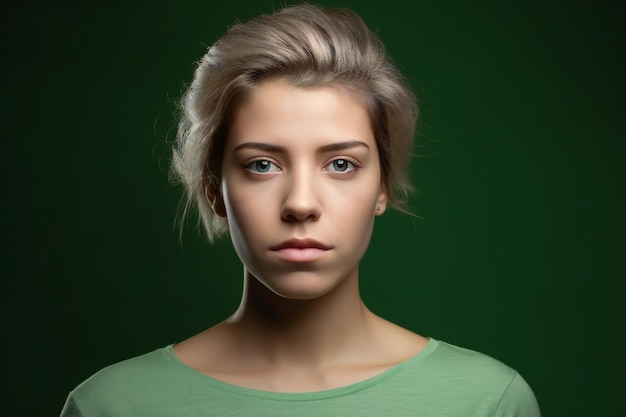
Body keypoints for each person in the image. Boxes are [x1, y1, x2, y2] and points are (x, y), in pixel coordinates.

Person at [60, 4, 541, 416]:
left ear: (383, 185)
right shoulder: (113, 405)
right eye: (263, 164)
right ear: (213, 186)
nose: (301, 204)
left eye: (340, 163)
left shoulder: (485, 402)